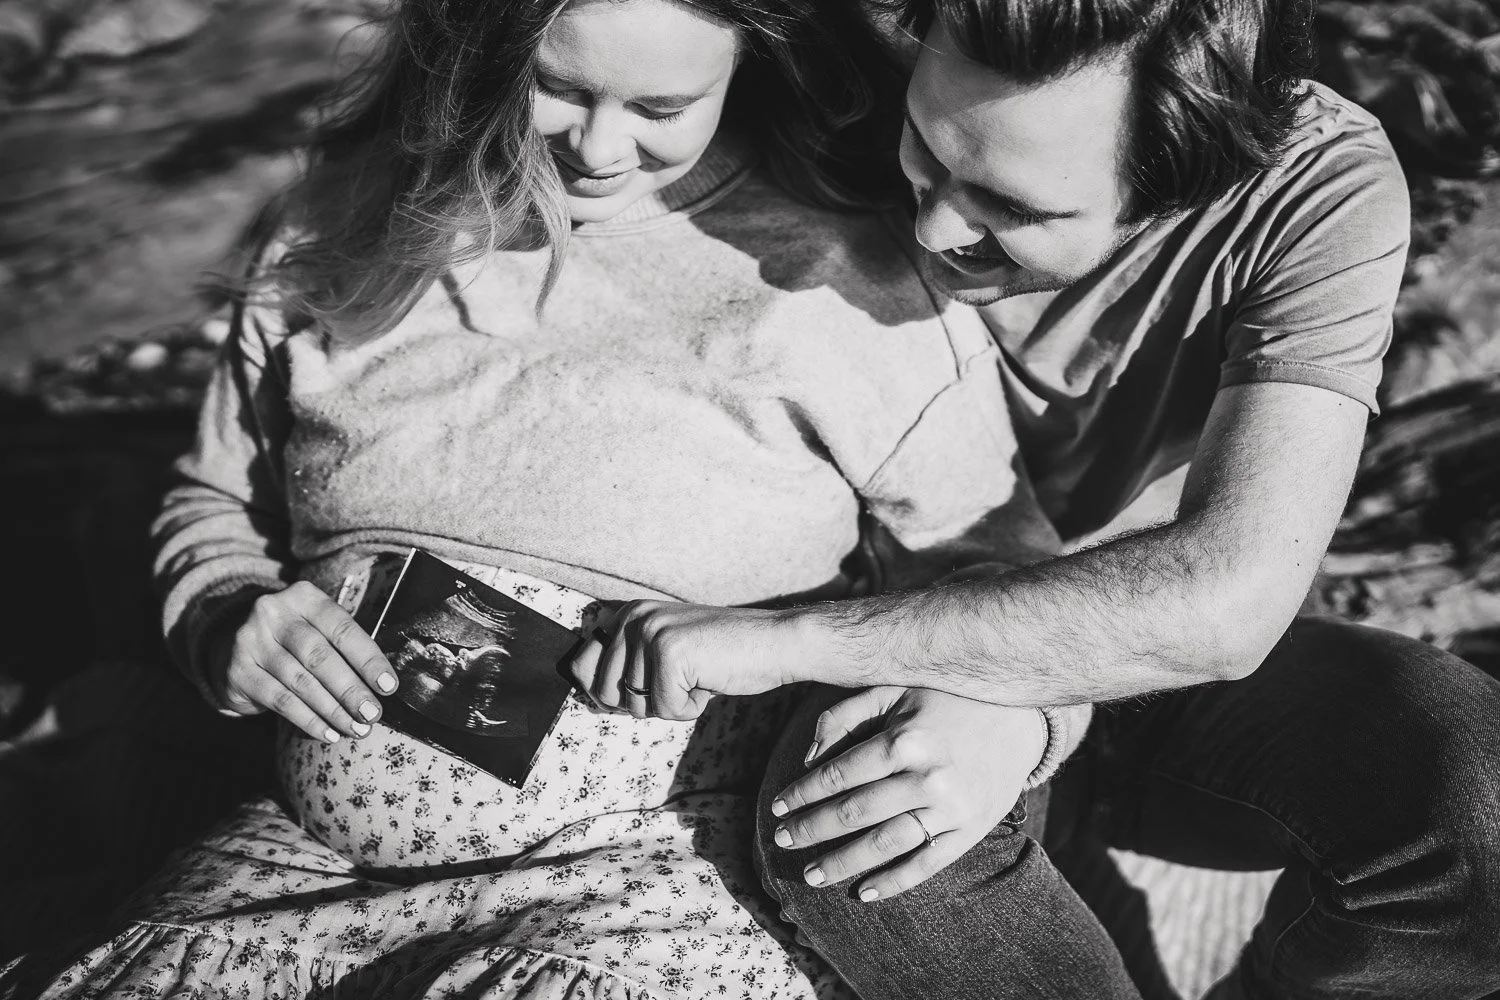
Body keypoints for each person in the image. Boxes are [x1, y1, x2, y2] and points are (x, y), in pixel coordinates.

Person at [2, 0, 1078, 997]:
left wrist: (1011, 726)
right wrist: (223, 610)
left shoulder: (850, 277)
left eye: (662, 108)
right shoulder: (340, 223)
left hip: (654, 880)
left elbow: (1011, 583)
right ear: (481, 41)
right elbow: (216, 494)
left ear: (749, 59)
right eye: (559, 87)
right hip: (294, 866)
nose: (600, 149)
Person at [570, 1, 1500, 997]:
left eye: (1011, 206)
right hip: (874, 604)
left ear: (1185, 184)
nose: (934, 225)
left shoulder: (1317, 188)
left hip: (1127, 655)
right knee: (867, 827)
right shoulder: (866, 40)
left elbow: (1227, 604)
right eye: (926, 147)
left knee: (1474, 806)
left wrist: (822, 648)